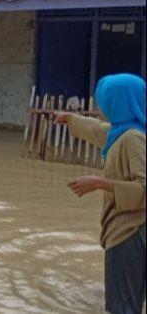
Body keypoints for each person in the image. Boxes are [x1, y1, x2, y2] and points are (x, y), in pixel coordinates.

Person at [56, 73, 145, 314]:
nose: (102, 109)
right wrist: (71, 119)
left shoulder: (133, 140)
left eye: (106, 102)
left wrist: (100, 183)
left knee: (122, 308)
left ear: (120, 103)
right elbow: (98, 129)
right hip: (131, 230)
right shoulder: (127, 131)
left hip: (129, 232)